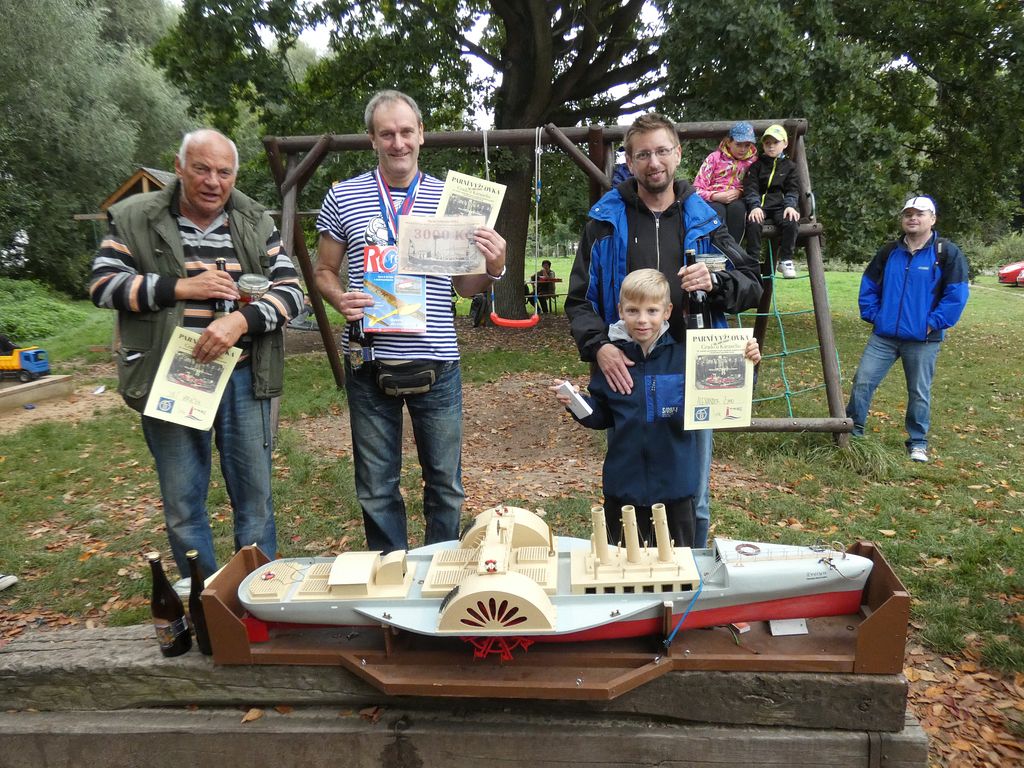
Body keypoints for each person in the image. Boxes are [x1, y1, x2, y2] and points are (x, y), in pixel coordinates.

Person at [89, 128, 305, 580]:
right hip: (173, 375)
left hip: (243, 376)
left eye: (224, 172)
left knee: (255, 499)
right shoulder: (136, 217)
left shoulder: (254, 219)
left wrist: (240, 322)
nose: (212, 181)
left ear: (234, 176)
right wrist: (181, 288)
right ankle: (206, 600)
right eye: (202, 169)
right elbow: (104, 285)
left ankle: (257, 595)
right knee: (184, 502)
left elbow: (291, 291)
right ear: (179, 166)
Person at [314, 90, 507, 554]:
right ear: (371, 139)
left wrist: (495, 266)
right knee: (376, 487)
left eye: (405, 131)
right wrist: (339, 297)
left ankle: (440, 573)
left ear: (421, 134)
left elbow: (465, 287)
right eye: (386, 134)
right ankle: (390, 576)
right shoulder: (343, 195)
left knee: (445, 486)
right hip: (368, 361)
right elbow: (323, 270)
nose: (397, 143)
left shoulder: (452, 201)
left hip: (437, 361)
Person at [566, 112, 763, 548]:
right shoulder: (604, 221)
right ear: (629, 161)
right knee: (629, 490)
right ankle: (627, 574)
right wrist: (599, 347)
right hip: (627, 371)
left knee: (693, 494)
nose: (653, 162)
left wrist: (717, 282)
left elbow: (752, 283)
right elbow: (579, 300)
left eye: (661, 151)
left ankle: (690, 577)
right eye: (642, 155)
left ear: (677, 154)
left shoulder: (706, 219)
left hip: (695, 371)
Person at [554, 269, 760, 546]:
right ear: (621, 311)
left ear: (667, 312)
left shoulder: (685, 357)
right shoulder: (613, 362)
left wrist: (748, 363)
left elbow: (726, 391)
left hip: (676, 489)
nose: (642, 320)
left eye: (652, 311)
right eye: (633, 310)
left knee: (678, 562)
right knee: (622, 562)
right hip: (624, 488)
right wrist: (576, 404)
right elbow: (602, 415)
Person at [845, 196, 969, 463]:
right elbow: (869, 286)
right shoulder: (890, 251)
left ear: (932, 219)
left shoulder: (945, 253)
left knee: (919, 392)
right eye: (908, 214)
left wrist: (932, 323)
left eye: (919, 214)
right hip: (884, 336)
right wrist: (875, 316)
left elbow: (956, 295)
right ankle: (852, 433)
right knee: (863, 381)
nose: (913, 218)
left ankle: (918, 442)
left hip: (923, 339)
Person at [743, 124, 801, 279]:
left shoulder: (790, 167)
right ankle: (752, 261)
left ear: (785, 144)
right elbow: (751, 188)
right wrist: (754, 206)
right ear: (763, 145)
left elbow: (792, 189)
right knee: (753, 222)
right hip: (760, 207)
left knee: (791, 220)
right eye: (767, 143)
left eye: (775, 142)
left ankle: (786, 259)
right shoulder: (756, 166)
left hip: (779, 207)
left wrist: (790, 205)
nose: (771, 146)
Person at [693, 121, 758, 243]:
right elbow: (696, 189)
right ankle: (717, 248)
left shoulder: (753, 162)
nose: (743, 149)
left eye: (747, 145)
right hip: (713, 199)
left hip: (738, 200)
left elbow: (755, 187)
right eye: (738, 144)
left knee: (737, 208)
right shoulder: (714, 158)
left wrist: (740, 192)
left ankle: (734, 249)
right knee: (717, 210)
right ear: (728, 142)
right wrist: (715, 196)